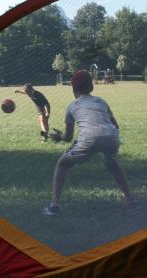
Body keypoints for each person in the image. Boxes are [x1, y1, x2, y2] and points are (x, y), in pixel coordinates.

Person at [43, 70, 134, 216]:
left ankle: (54, 205)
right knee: (111, 164)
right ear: (91, 87)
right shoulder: (101, 101)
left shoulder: (72, 106)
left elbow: (68, 137)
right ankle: (130, 200)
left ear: (73, 88)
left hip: (89, 138)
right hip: (111, 136)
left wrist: (60, 136)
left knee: (62, 164)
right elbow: (115, 125)